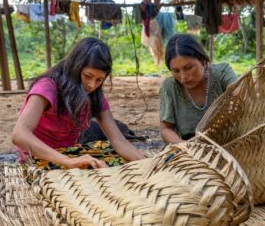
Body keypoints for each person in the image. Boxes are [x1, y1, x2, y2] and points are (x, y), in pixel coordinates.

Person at [12, 37, 144, 169]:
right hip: (37, 159)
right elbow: (19, 135)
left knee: (120, 162)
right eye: (87, 76)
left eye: (99, 80)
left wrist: (148, 163)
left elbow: (119, 141)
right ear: (75, 67)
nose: (92, 85)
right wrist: (68, 161)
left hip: (69, 155)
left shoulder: (94, 96)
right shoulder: (47, 87)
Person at [159, 33, 238, 144]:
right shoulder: (170, 87)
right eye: (176, 71)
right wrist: (184, 146)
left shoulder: (222, 73)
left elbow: (243, 97)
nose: (183, 77)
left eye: (188, 68)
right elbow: (165, 129)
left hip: (228, 144)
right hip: (188, 151)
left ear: (203, 60)